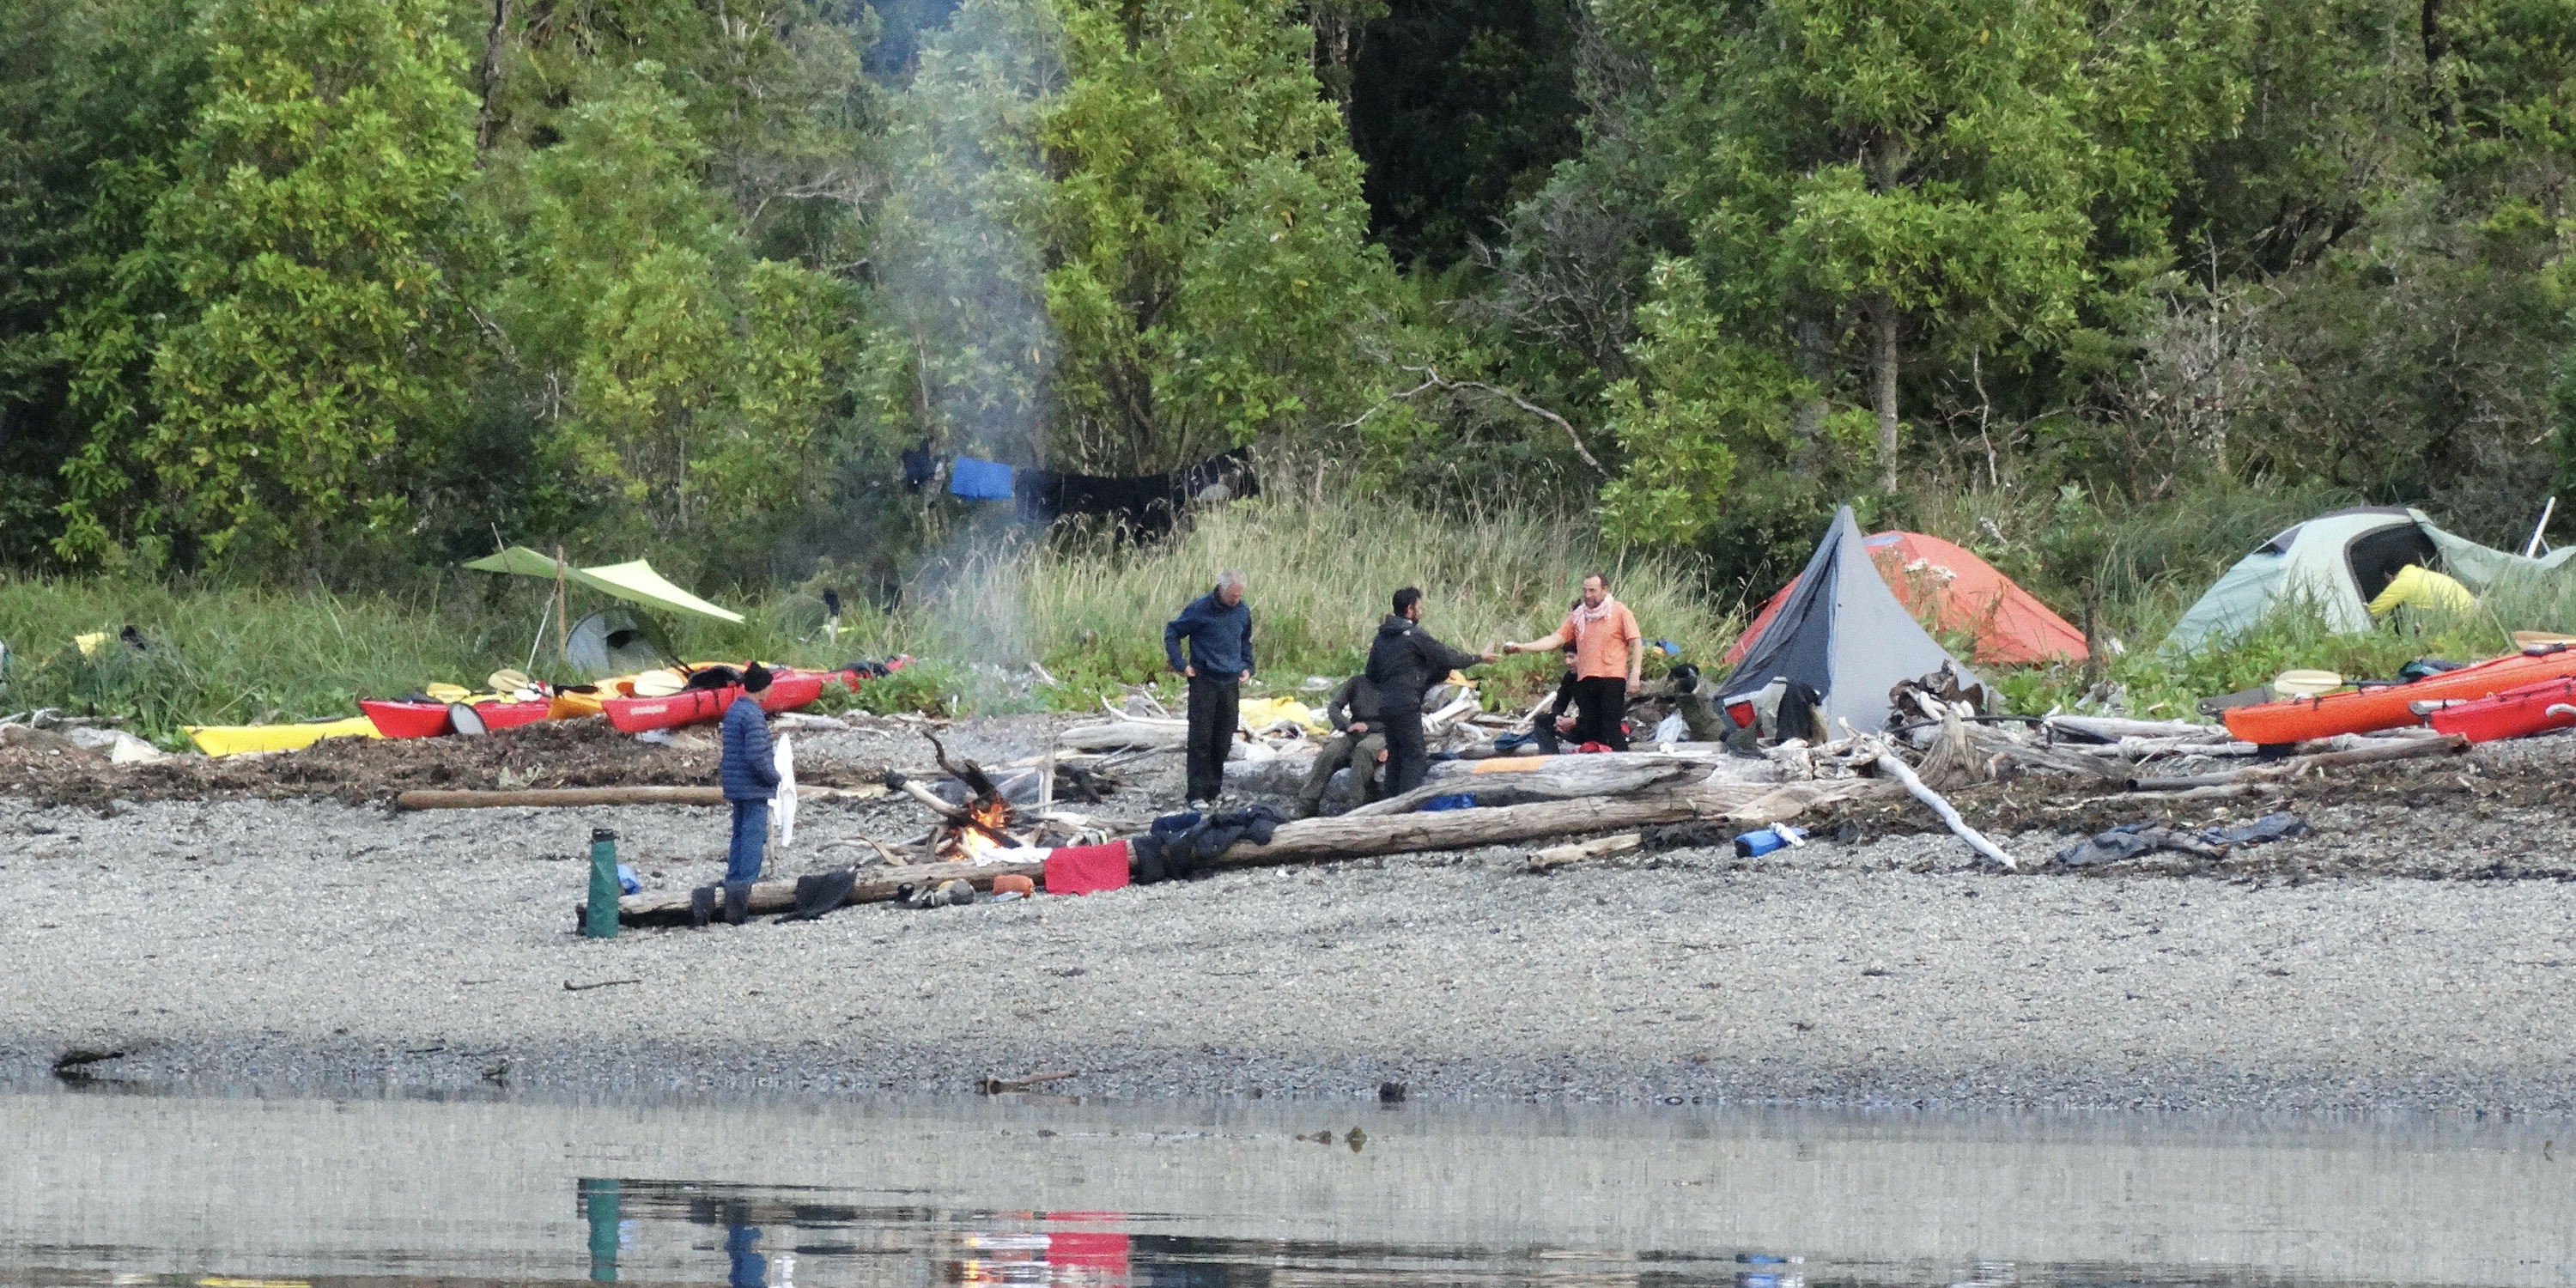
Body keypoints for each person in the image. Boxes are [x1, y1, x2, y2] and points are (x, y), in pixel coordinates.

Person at [1364, 586, 1499, 794]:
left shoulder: (1381, 638)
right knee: (1415, 756)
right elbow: (1447, 657)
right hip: (1406, 702)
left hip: (1384, 704)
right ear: (1410, 609)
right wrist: (1478, 658)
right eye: (1420, 607)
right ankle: (1406, 809)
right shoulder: (1413, 636)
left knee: (1396, 757)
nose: (1422, 611)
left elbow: (1371, 674)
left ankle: (1388, 808)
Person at [1503, 574, 1642, 750]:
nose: (1588, 595)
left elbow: (1636, 642)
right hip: (1586, 678)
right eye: (1585, 590)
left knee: (1610, 727)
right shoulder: (1578, 616)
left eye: (1593, 590)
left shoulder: (1620, 612)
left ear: (1605, 590)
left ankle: (1624, 762)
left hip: (1612, 677)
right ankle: (1593, 763)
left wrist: (1635, 673)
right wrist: (1522, 647)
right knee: (1592, 730)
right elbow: (1554, 639)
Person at [1164, 568, 1255, 809]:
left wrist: (1247, 665)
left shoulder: (1242, 611)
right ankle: (1196, 794)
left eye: (1239, 596)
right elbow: (1172, 632)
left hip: (1230, 682)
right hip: (1204, 680)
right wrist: (1181, 664)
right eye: (1232, 596)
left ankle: (1214, 791)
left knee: (1223, 739)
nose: (1236, 600)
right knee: (1200, 739)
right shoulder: (1200, 608)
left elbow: (1244, 641)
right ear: (1221, 589)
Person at [1295, 672, 1389, 818]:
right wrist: (1346, 725)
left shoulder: (1395, 683)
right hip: (1355, 733)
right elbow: (1334, 706)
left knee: (1364, 750)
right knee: (1330, 753)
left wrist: (1391, 748)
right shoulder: (1357, 682)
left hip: (1383, 734)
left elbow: (1407, 719)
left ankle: (1355, 806)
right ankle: (1307, 804)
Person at [718, 664, 780, 884]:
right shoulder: (753, 715)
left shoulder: (734, 710)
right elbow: (757, 755)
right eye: (770, 687)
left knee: (739, 834)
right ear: (762, 688)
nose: (771, 691)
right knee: (753, 835)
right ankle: (745, 884)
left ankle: (733, 878)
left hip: (735, 783)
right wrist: (773, 777)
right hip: (752, 785)